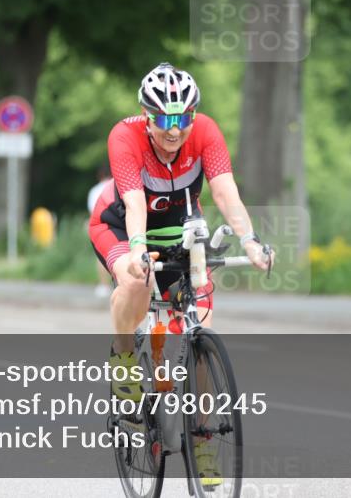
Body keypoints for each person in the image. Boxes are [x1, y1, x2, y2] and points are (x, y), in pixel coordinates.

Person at [88, 62, 273, 488]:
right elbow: (134, 204)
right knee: (135, 281)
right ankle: (124, 361)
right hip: (120, 226)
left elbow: (226, 192)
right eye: (164, 119)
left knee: (200, 329)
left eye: (184, 118)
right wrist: (136, 251)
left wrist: (250, 241)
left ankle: (202, 441)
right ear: (146, 114)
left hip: (181, 229)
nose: (175, 130)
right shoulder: (125, 136)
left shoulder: (206, 132)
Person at [87, 164, 114, 299]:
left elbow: (93, 211)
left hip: (102, 227)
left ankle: (104, 285)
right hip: (119, 226)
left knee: (101, 258)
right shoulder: (116, 186)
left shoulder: (94, 190)